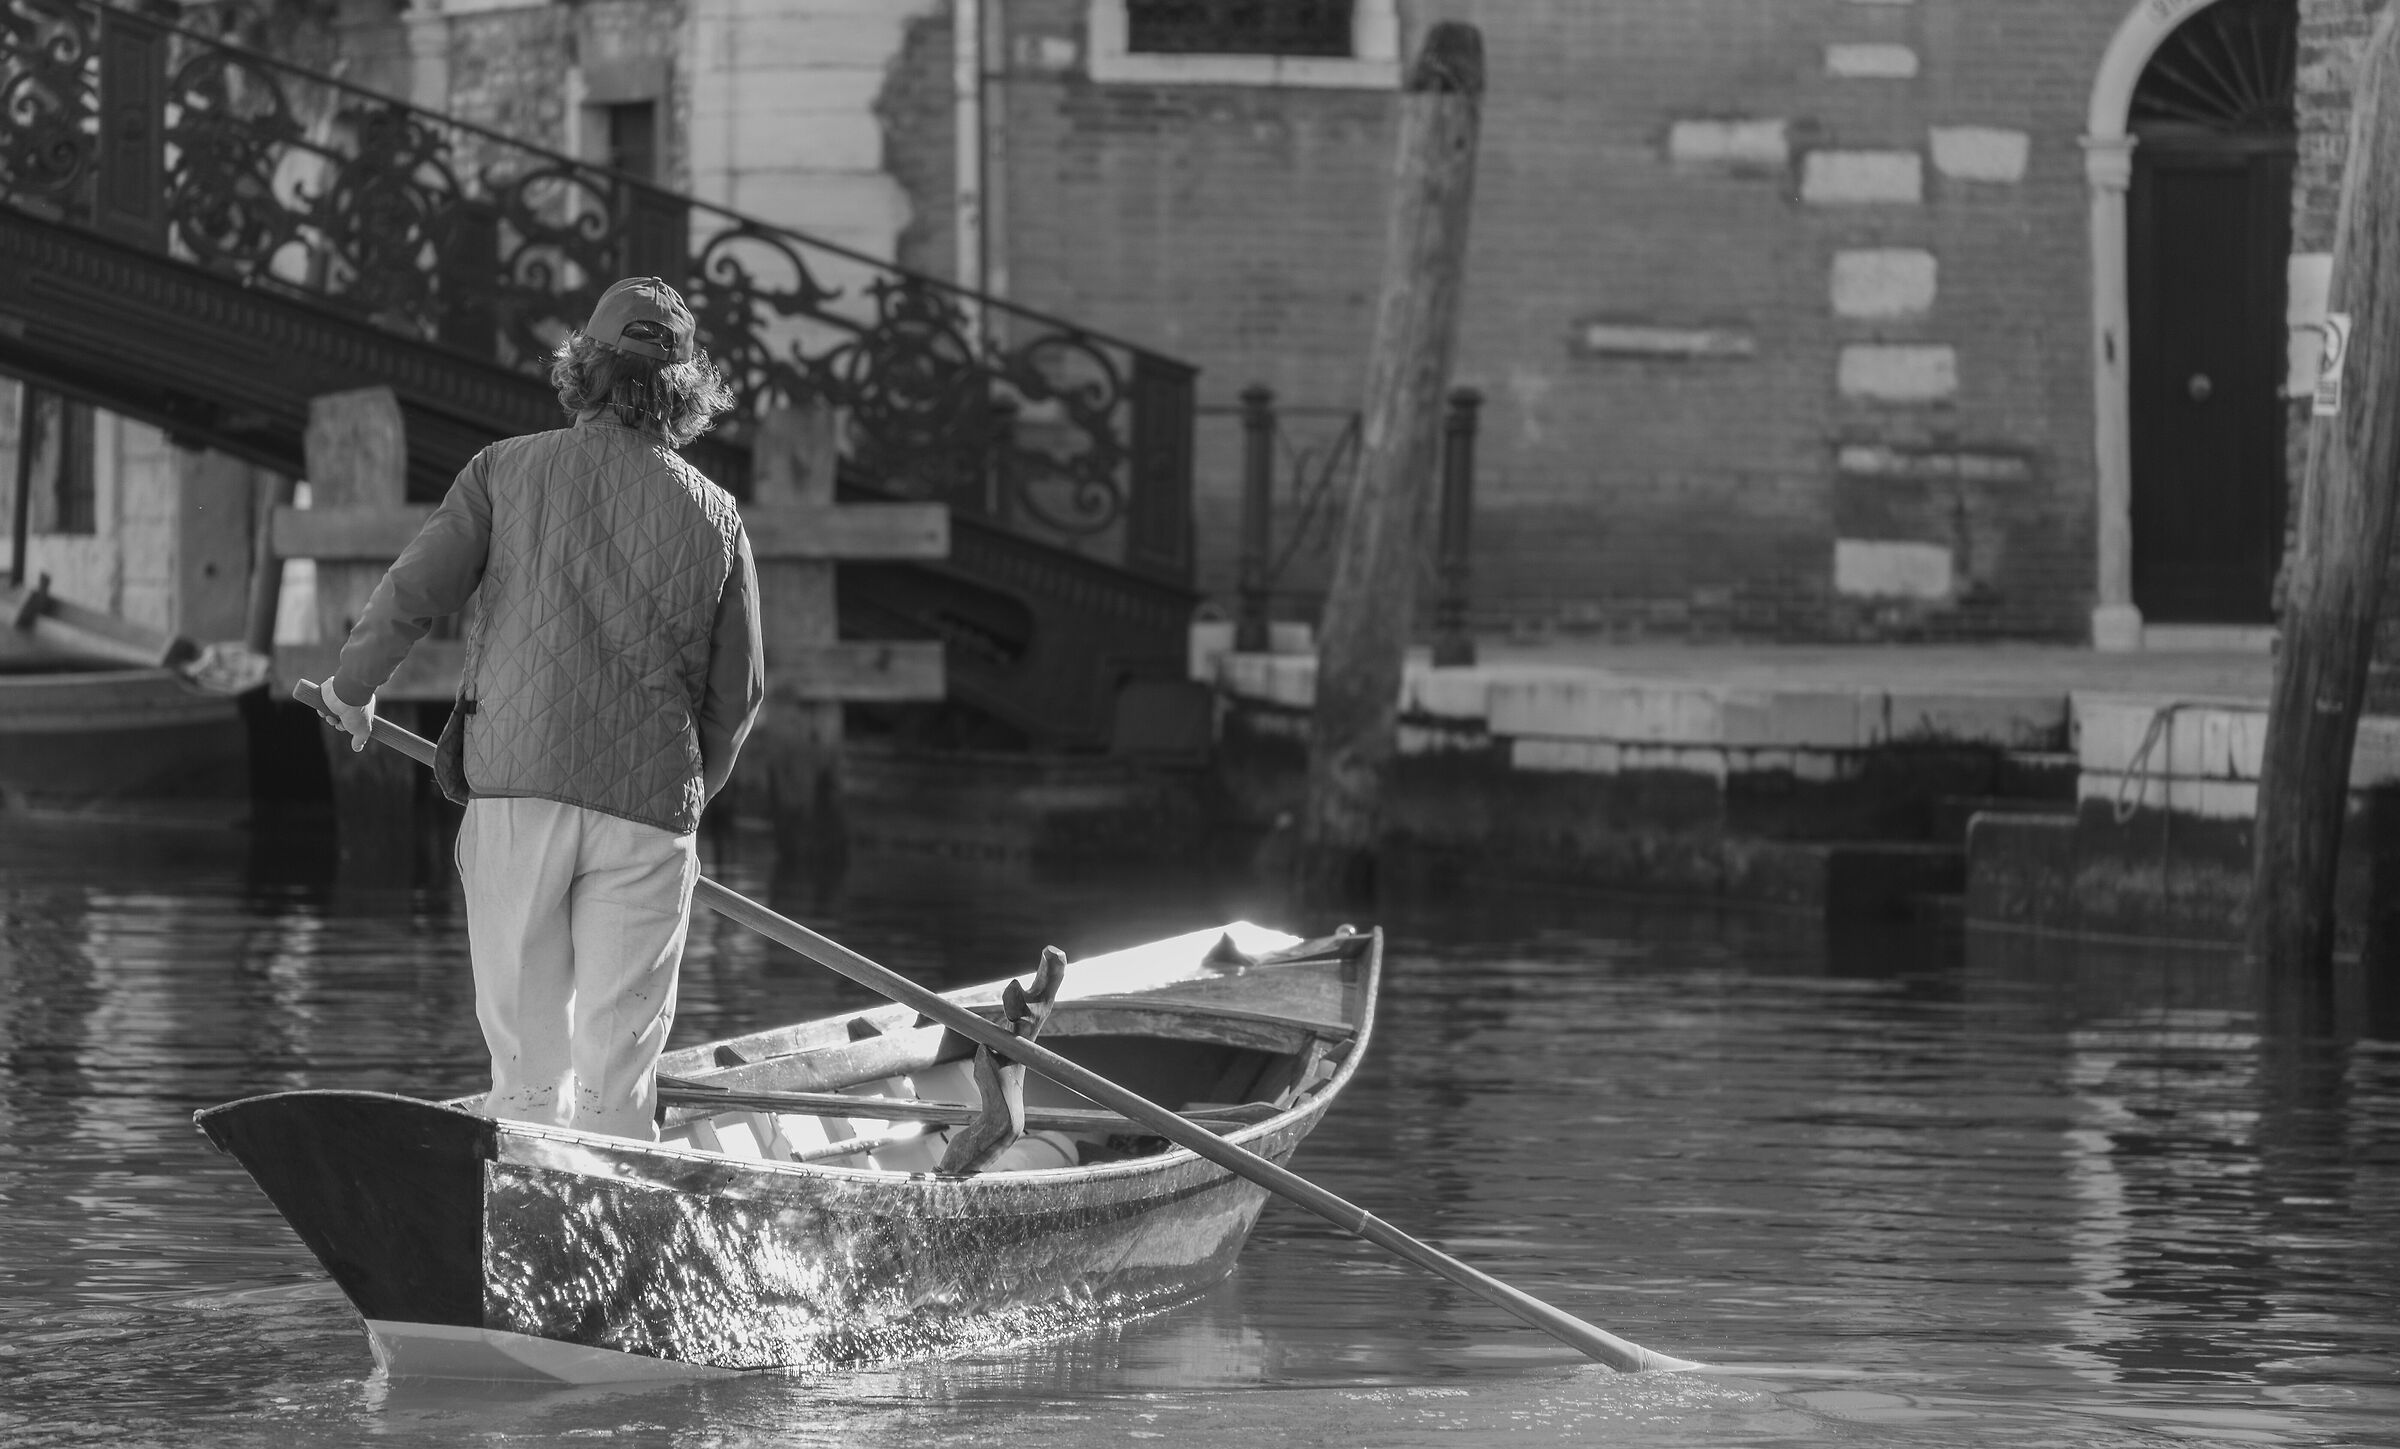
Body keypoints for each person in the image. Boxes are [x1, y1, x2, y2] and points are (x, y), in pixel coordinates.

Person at [313, 276, 765, 1141]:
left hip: (517, 793)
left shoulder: (503, 469)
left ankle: (522, 1205)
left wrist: (354, 687)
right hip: (647, 813)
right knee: (617, 1077)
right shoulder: (719, 518)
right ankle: (611, 1231)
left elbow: (416, 590)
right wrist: (688, 803)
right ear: (685, 391)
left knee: (524, 1072)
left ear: (584, 367)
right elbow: (736, 699)